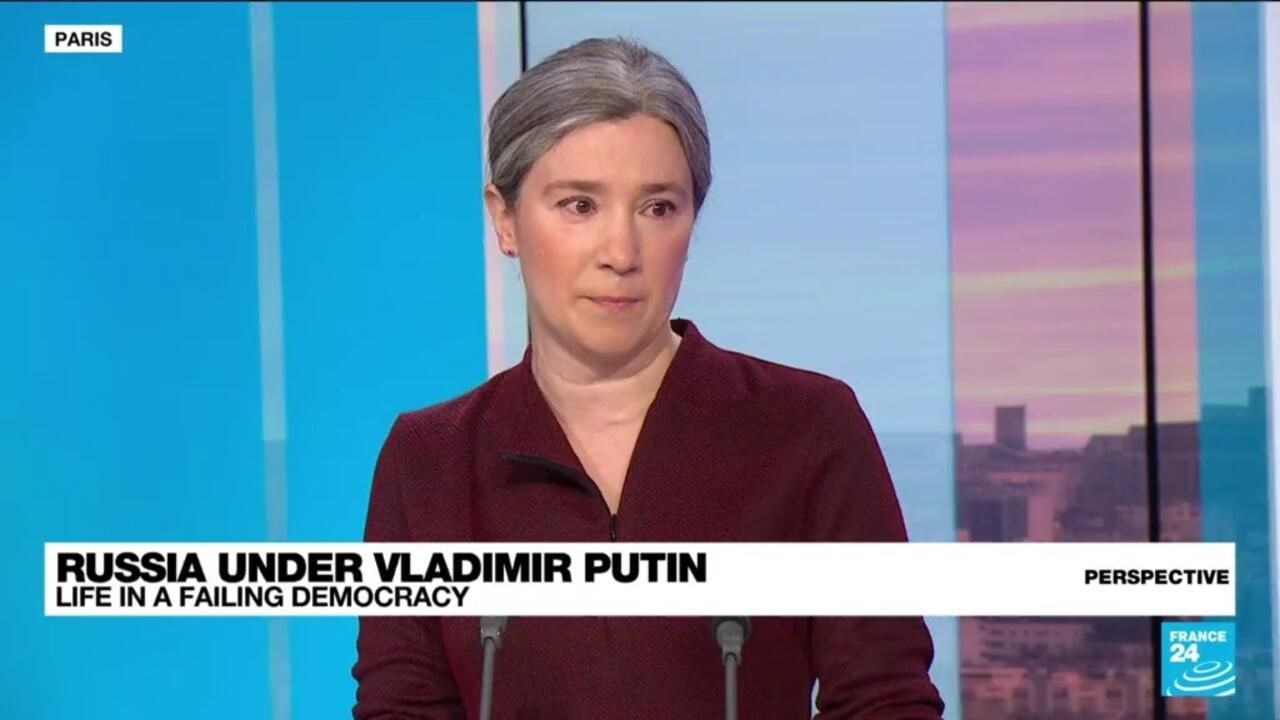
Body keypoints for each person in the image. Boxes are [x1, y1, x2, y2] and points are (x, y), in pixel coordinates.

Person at [352, 36, 945, 720]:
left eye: (657, 207)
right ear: (504, 219)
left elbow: (885, 701)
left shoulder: (809, 428)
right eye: (580, 205)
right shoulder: (429, 458)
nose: (621, 252)